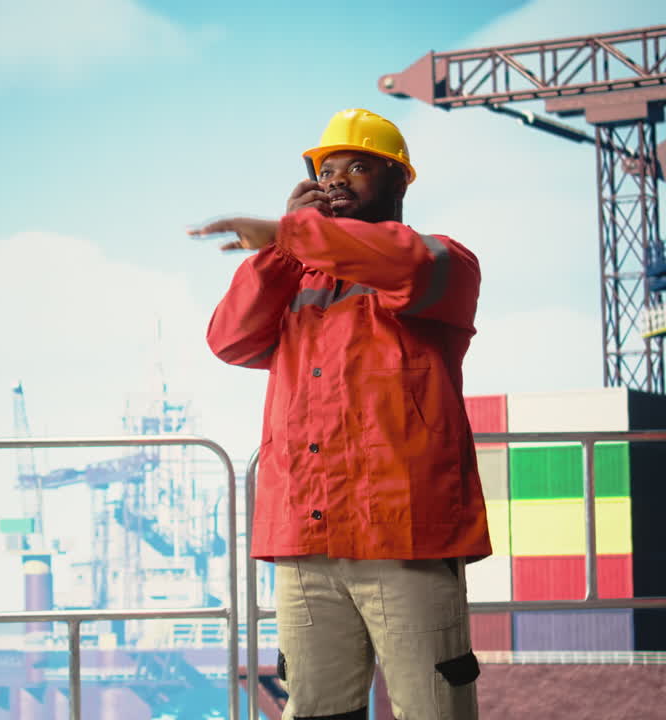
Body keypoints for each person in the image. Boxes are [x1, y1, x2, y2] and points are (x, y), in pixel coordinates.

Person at [192, 108, 491, 720]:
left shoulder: (444, 263)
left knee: (433, 709)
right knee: (317, 711)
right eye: (326, 170)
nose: (337, 180)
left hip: (405, 538)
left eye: (359, 167)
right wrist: (283, 250)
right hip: (307, 539)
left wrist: (290, 234)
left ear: (400, 181)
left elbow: (400, 262)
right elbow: (230, 339)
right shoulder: (293, 277)